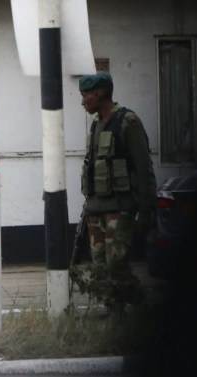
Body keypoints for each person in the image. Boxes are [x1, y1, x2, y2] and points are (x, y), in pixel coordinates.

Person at [77, 71, 156, 310]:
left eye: (85, 96)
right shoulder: (95, 126)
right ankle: (116, 317)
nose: (82, 101)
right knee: (100, 270)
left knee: (116, 264)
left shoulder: (127, 122)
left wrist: (147, 210)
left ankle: (145, 308)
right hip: (95, 210)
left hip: (120, 208)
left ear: (99, 94)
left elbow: (144, 168)